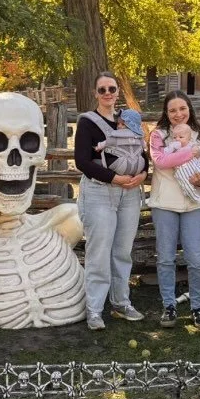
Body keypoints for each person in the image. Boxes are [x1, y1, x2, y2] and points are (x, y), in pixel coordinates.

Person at [74, 72, 148, 331]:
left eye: (111, 89)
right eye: (102, 89)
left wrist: (142, 174)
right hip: (99, 192)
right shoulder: (87, 123)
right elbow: (82, 161)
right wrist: (114, 178)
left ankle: (120, 301)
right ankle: (94, 309)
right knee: (98, 252)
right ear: (96, 93)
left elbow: (141, 152)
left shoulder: (127, 121)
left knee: (122, 251)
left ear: (118, 92)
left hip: (129, 193)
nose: (107, 93)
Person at [148, 90, 200, 331]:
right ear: (166, 113)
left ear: (189, 109)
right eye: (172, 110)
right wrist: (190, 151)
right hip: (165, 203)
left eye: (182, 109)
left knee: (196, 258)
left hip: (194, 203)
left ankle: (198, 306)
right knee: (166, 258)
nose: (178, 114)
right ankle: (169, 305)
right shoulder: (158, 136)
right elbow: (161, 162)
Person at [164, 123, 200, 204]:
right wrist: (171, 148)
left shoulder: (192, 145)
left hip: (195, 165)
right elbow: (165, 154)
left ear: (189, 138)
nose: (177, 139)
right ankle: (194, 197)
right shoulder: (173, 147)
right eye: (175, 137)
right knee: (185, 183)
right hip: (181, 169)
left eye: (181, 137)